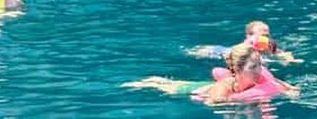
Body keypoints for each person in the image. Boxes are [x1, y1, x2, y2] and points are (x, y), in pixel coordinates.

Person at [122, 43, 298, 104]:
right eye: (253, 67)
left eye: (259, 65)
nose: (259, 71)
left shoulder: (260, 77)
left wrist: (290, 89)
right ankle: (151, 81)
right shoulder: (225, 86)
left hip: (214, 87)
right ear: (237, 70)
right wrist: (244, 99)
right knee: (164, 86)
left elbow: (276, 82)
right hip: (193, 89)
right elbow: (213, 104)